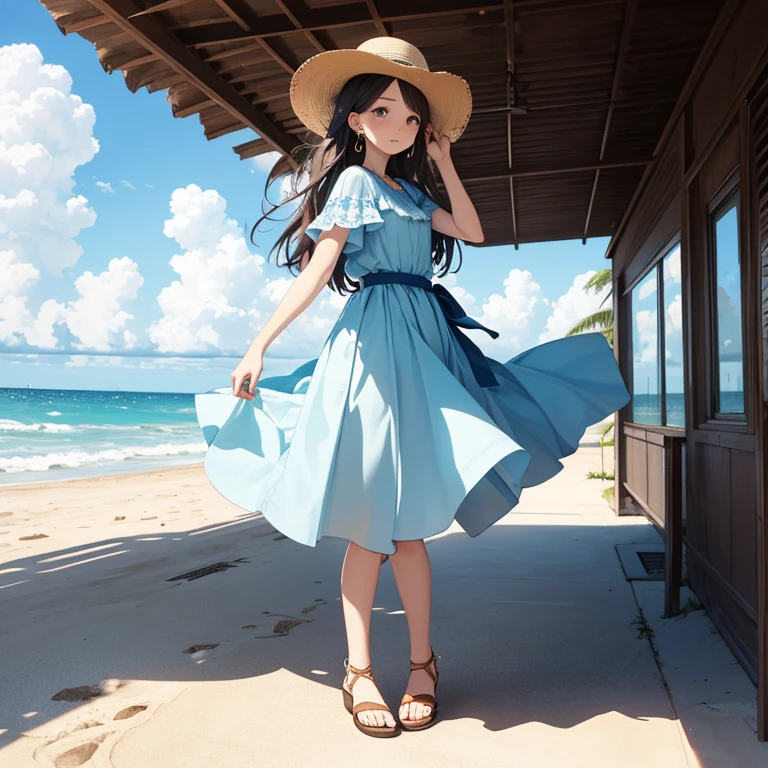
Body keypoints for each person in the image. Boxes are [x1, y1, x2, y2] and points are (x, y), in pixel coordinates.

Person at [194, 37, 631, 738]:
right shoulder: (355, 185)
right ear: (357, 118)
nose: (398, 125)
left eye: (410, 115)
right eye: (384, 110)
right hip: (372, 343)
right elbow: (317, 269)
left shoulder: (411, 190)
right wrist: (260, 342)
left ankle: (423, 663)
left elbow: (474, 231)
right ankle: (360, 670)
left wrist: (446, 162)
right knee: (373, 522)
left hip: (425, 338)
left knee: (412, 528)